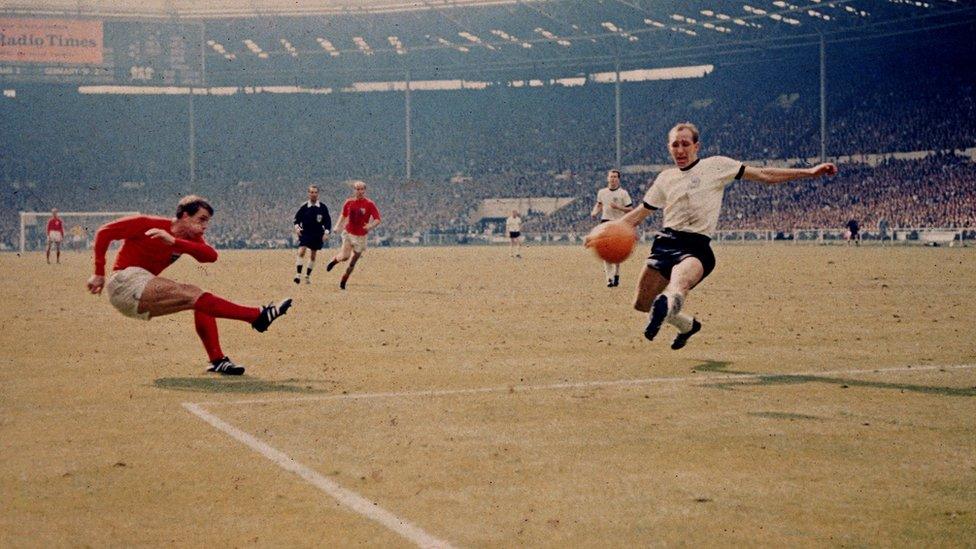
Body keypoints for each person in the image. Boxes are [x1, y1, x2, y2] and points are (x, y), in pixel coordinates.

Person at [608, 122, 838, 350]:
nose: (680, 150)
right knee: (641, 304)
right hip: (665, 243)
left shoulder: (716, 166)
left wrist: (809, 172)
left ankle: (669, 301)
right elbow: (639, 214)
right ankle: (687, 326)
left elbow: (764, 175)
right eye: (675, 144)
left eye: (685, 144)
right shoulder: (665, 178)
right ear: (669, 147)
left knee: (679, 285)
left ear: (696, 146)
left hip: (696, 247)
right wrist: (604, 233)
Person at [86, 195, 292, 375]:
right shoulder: (148, 223)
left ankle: (218, 360)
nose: (205, 226)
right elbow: (104, 232)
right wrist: (98, 273)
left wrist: (174, 242)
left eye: (207, 222)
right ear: (185, 215)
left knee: (199, 299)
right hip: (125, 282)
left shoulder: (191, 238)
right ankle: (257, 316)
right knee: (194, 294)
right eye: (201, 219)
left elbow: (210, 256)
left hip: (139, 295)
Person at [326, 180, 381, 290]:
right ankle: (334, 260)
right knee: (345, 256)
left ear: (364, 190)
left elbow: (377, 219)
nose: (360, 191)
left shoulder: (369, 204)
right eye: (357, 189)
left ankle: (344, 279)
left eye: (362, 189)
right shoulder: (349, 202)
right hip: (349, 233)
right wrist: (337, 226)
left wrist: (370, 226)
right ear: (354, 190)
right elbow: (343, 215)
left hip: (361, 237)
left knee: (352, 262)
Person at [590, 169, 633, 287]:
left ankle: (616, 274)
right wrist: (594, 212)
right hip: (605, 222)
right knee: (605, 250)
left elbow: (630, 209)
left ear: (618, 179)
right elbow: (599, 204)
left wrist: (618, 207)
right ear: (607, 178)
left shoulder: (623, 193)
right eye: (611, 177)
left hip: (619, 224)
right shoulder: (602, 192)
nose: (613, 179)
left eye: (615, 177)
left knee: (617, 251)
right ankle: (609, 279)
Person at [292, 185, 332, 284]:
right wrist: (297, 228)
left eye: (315, 192)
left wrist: (326, 233)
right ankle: (298, 275)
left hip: (318, 233)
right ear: (308, 194)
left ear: (318, 194)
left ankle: (307, 276)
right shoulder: (304, 207)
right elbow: (296, 219)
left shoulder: (322, 207)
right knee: (302, 250)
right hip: (306, 232)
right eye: (311, 192)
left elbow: (328, 221)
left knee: (313, 255)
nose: (313, 194)